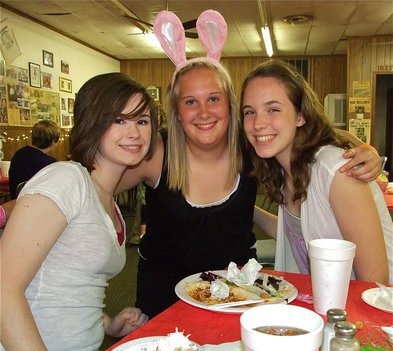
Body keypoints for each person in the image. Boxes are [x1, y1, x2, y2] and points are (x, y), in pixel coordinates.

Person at [114, 10, 383, 318]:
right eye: (190, 102)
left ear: (229, 107)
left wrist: (365, 148)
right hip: (164, 300)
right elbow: (102, 184)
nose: (203, 112)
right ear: (176, 111)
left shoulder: (252, 146)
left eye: (214, 99)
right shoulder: (157, 152)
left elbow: (312, 135)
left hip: (238, 294)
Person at [0, 72, 156, 351]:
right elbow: (3, 288)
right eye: (118, 119)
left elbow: (68, 288)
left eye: (142, 120)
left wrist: (108, 324)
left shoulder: (109, 204)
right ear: (92, 124)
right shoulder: (66, 179)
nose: (134, 132)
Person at [241, 59, 391, 283]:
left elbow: (374, 281)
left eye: (273, 109)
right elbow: (296, 232)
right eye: (249, 112)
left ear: (301, 115)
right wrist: (240, 204)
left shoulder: (337, 172)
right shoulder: (285, 172)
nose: (258, 123)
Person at [8, 119, 60, 199]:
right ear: (53, 141)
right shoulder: (49, 163)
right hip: (38, 206)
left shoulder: (19, 154)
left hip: (16, 204)